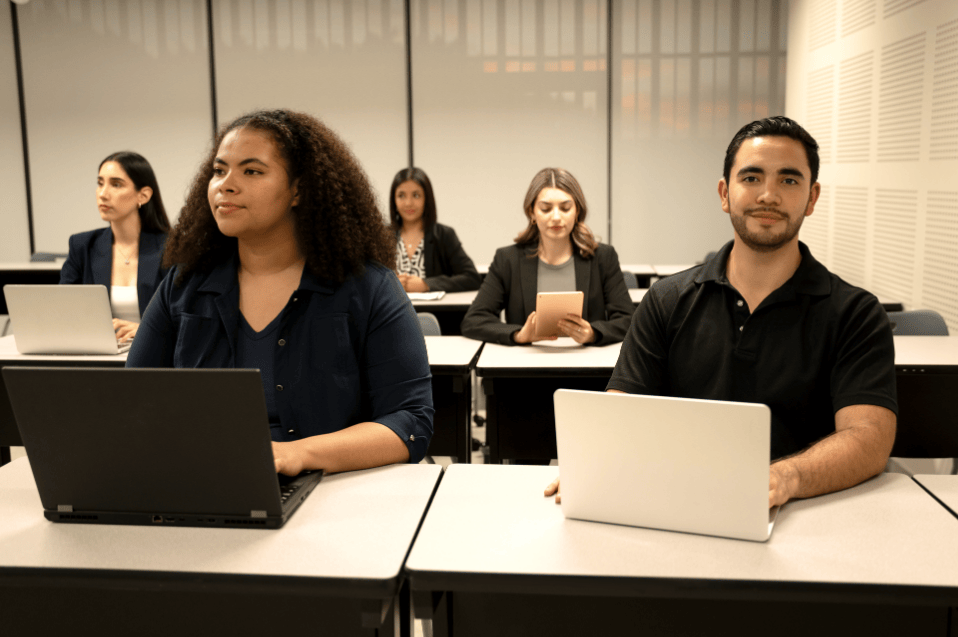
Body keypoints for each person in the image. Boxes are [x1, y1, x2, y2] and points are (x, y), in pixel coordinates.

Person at [545, 116, 897, 508]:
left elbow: (869, 438)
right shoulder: (666, 300)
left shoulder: (856, 314)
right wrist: (594, 459)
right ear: (724, 193)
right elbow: (622, 407)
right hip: (679, 505)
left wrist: (786, 477)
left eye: (788, 180)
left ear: (812, 198)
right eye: (751, 178)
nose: (768, 195)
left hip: (807, 511)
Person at [126, 109, 433, 474]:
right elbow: (134, 403)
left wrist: (297, 454)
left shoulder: (369, 288)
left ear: (298, 190)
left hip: (334, 492)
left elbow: (410, 423)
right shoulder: (182, 286)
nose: (226, 184)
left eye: (251, 171)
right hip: (205, 482)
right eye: (219, 170)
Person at [461, 167, 633, 346]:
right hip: (526, 367)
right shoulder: (508, 259)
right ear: (532, 213)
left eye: (565, 208)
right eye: (546, 209)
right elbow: (473, 320)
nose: (556, 217)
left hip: (586, 366)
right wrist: (519, 335)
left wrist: (593, 333)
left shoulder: (603, 258)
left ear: (577, 212)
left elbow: (628, 319)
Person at [60, 151, 170, 342]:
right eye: (100, 183)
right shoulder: (82, 246)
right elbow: (62, 310)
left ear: (143, 196)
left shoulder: (172, 247)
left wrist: (146, 330)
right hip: (100, 353)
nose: (103, 194)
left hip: (155, 352)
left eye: (116, 184)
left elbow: (186, 315)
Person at [390, 167, 481, 292]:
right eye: (401, 196)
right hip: (391, 311)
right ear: (394, 200)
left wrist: (427, 284)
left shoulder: (443, 235)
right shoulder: (382, 236)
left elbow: (472, 278)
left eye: (416, 195)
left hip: (433, 311)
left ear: (427, 199)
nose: (408, 203)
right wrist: (388, 284)